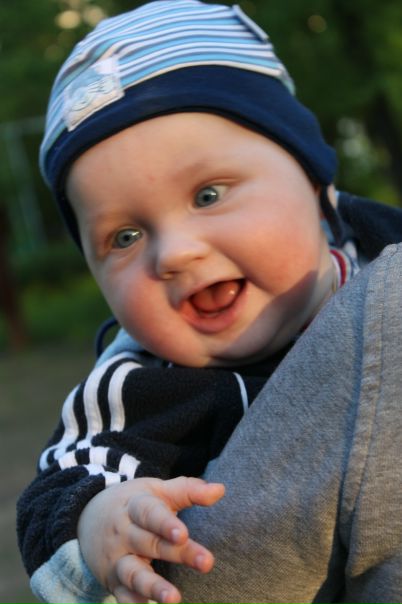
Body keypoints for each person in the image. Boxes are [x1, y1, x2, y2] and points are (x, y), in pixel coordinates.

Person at [16, 1, 402, 603]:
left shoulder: (382, 246)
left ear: (314, 182)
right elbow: (59, 488)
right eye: (125, 237)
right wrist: (101, 521)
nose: (173, 253)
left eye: (208, 195)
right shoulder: (144, 386)